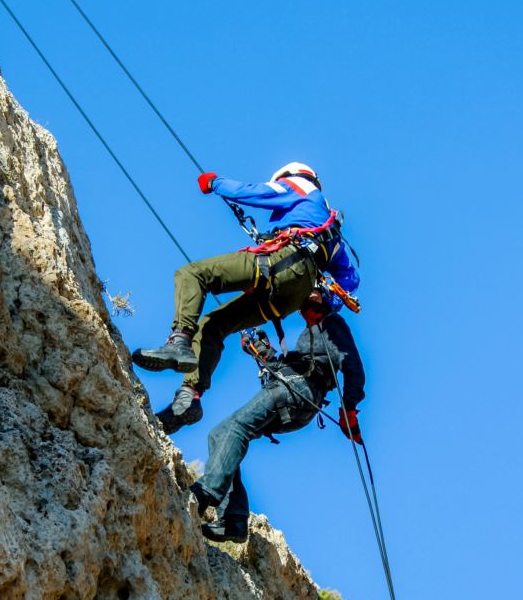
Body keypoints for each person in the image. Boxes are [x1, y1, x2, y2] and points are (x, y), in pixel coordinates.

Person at [131, 162, 360, 434]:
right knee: (213, 325)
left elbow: (257, 193)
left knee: (192, 275)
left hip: (282, 261)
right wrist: (324, 300)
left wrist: (215, 184)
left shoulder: (302, 186)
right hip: (291, 296)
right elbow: (350, 279)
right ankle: (189, 398)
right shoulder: (332, 231)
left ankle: (179, 341)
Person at [189, 288, 365, 543]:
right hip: (296, 398)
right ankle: (234, 519)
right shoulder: (313, 336)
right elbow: (290, 365)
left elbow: (353, 367)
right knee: (219, 435)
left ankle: (206, 491)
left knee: (236, 428)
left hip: (295, 389)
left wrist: (349, 408)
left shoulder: (332, 323)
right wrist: (260, 350)